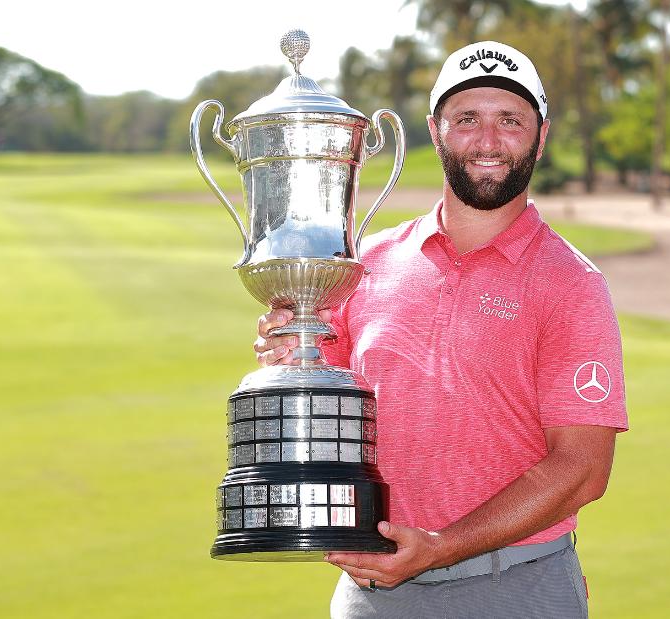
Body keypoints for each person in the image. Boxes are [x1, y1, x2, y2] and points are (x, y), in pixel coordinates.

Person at [255, 41, 628, 618]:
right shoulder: (364, 263)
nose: (488, 141)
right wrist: (290, 351)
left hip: (515, 588)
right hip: (375, 589)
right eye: (467, 120)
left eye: (510, 120)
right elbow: (328, 407)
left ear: (541, 134)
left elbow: (581, 470)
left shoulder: (571, 283)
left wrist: (442, 547)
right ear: (436, 130)